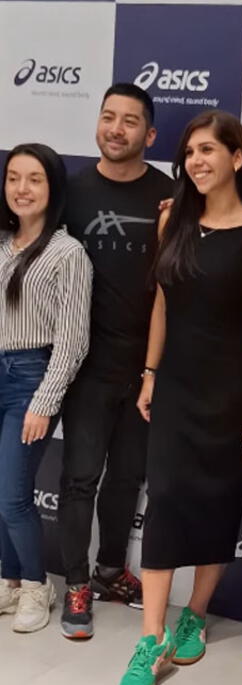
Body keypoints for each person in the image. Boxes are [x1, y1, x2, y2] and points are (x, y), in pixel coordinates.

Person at [117, 109, 242, 685]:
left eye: (210, 150)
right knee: (164, 505)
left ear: (237, 157)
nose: (198, 162)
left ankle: (197, 614)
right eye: (190, 153)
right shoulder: (172, 223)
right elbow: (161, 305)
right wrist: (151, 373)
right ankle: (152, 638)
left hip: (233, 395)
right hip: (177, 389)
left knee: (218, 506)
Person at [58, 83, 174, 639]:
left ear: (149, 135)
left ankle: (109, 571)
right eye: (108, 117)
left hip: (148, 367)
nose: (116, 129)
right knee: (80, 478)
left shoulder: (170, 195)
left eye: (130, 122)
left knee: (127, 477)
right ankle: (75, 583)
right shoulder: (71, 193)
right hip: (84, 366)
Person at [0, 143, 91, 633]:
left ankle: (38, 585)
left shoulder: (66, 252)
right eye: (13, 177)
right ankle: (9, 581)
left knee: (13, 495)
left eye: (33, 178)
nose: (22, 189)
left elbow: (73, 340)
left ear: (52, 187)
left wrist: (44, 399)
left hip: (30, 378)